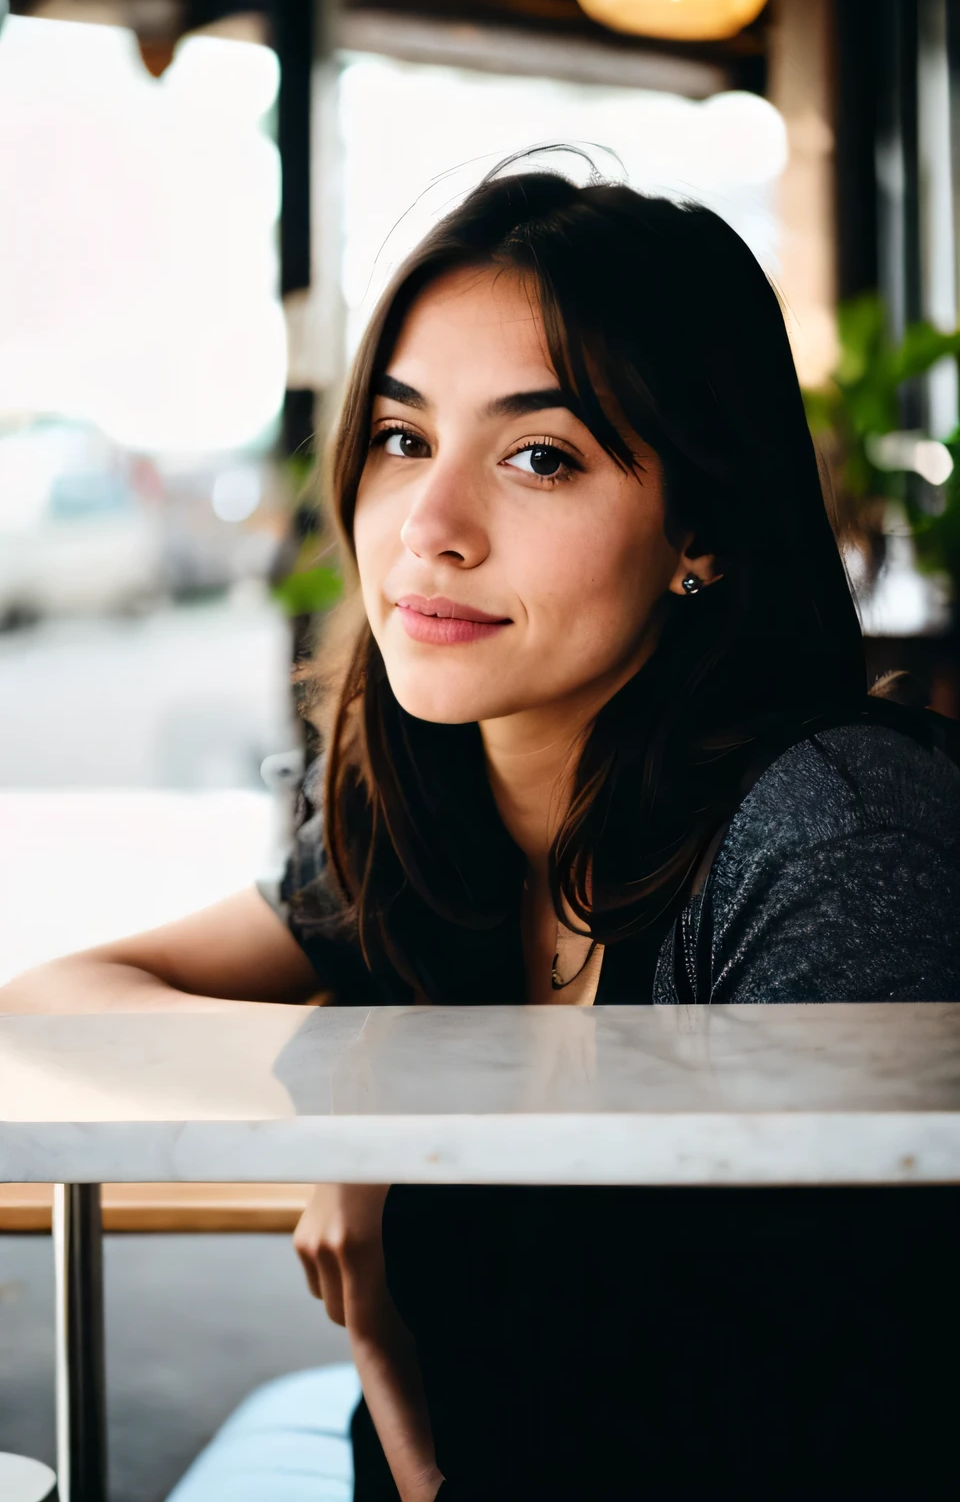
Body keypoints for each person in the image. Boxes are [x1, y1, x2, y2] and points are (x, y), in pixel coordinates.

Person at [5, 165, 960, 1500]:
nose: (429, 531)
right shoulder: (438, 805)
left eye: (539, 456)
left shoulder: (827, 844)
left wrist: (390, 1299)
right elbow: (49, 1005)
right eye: (402, 437)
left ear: (704, 531)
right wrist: (361, 1097)